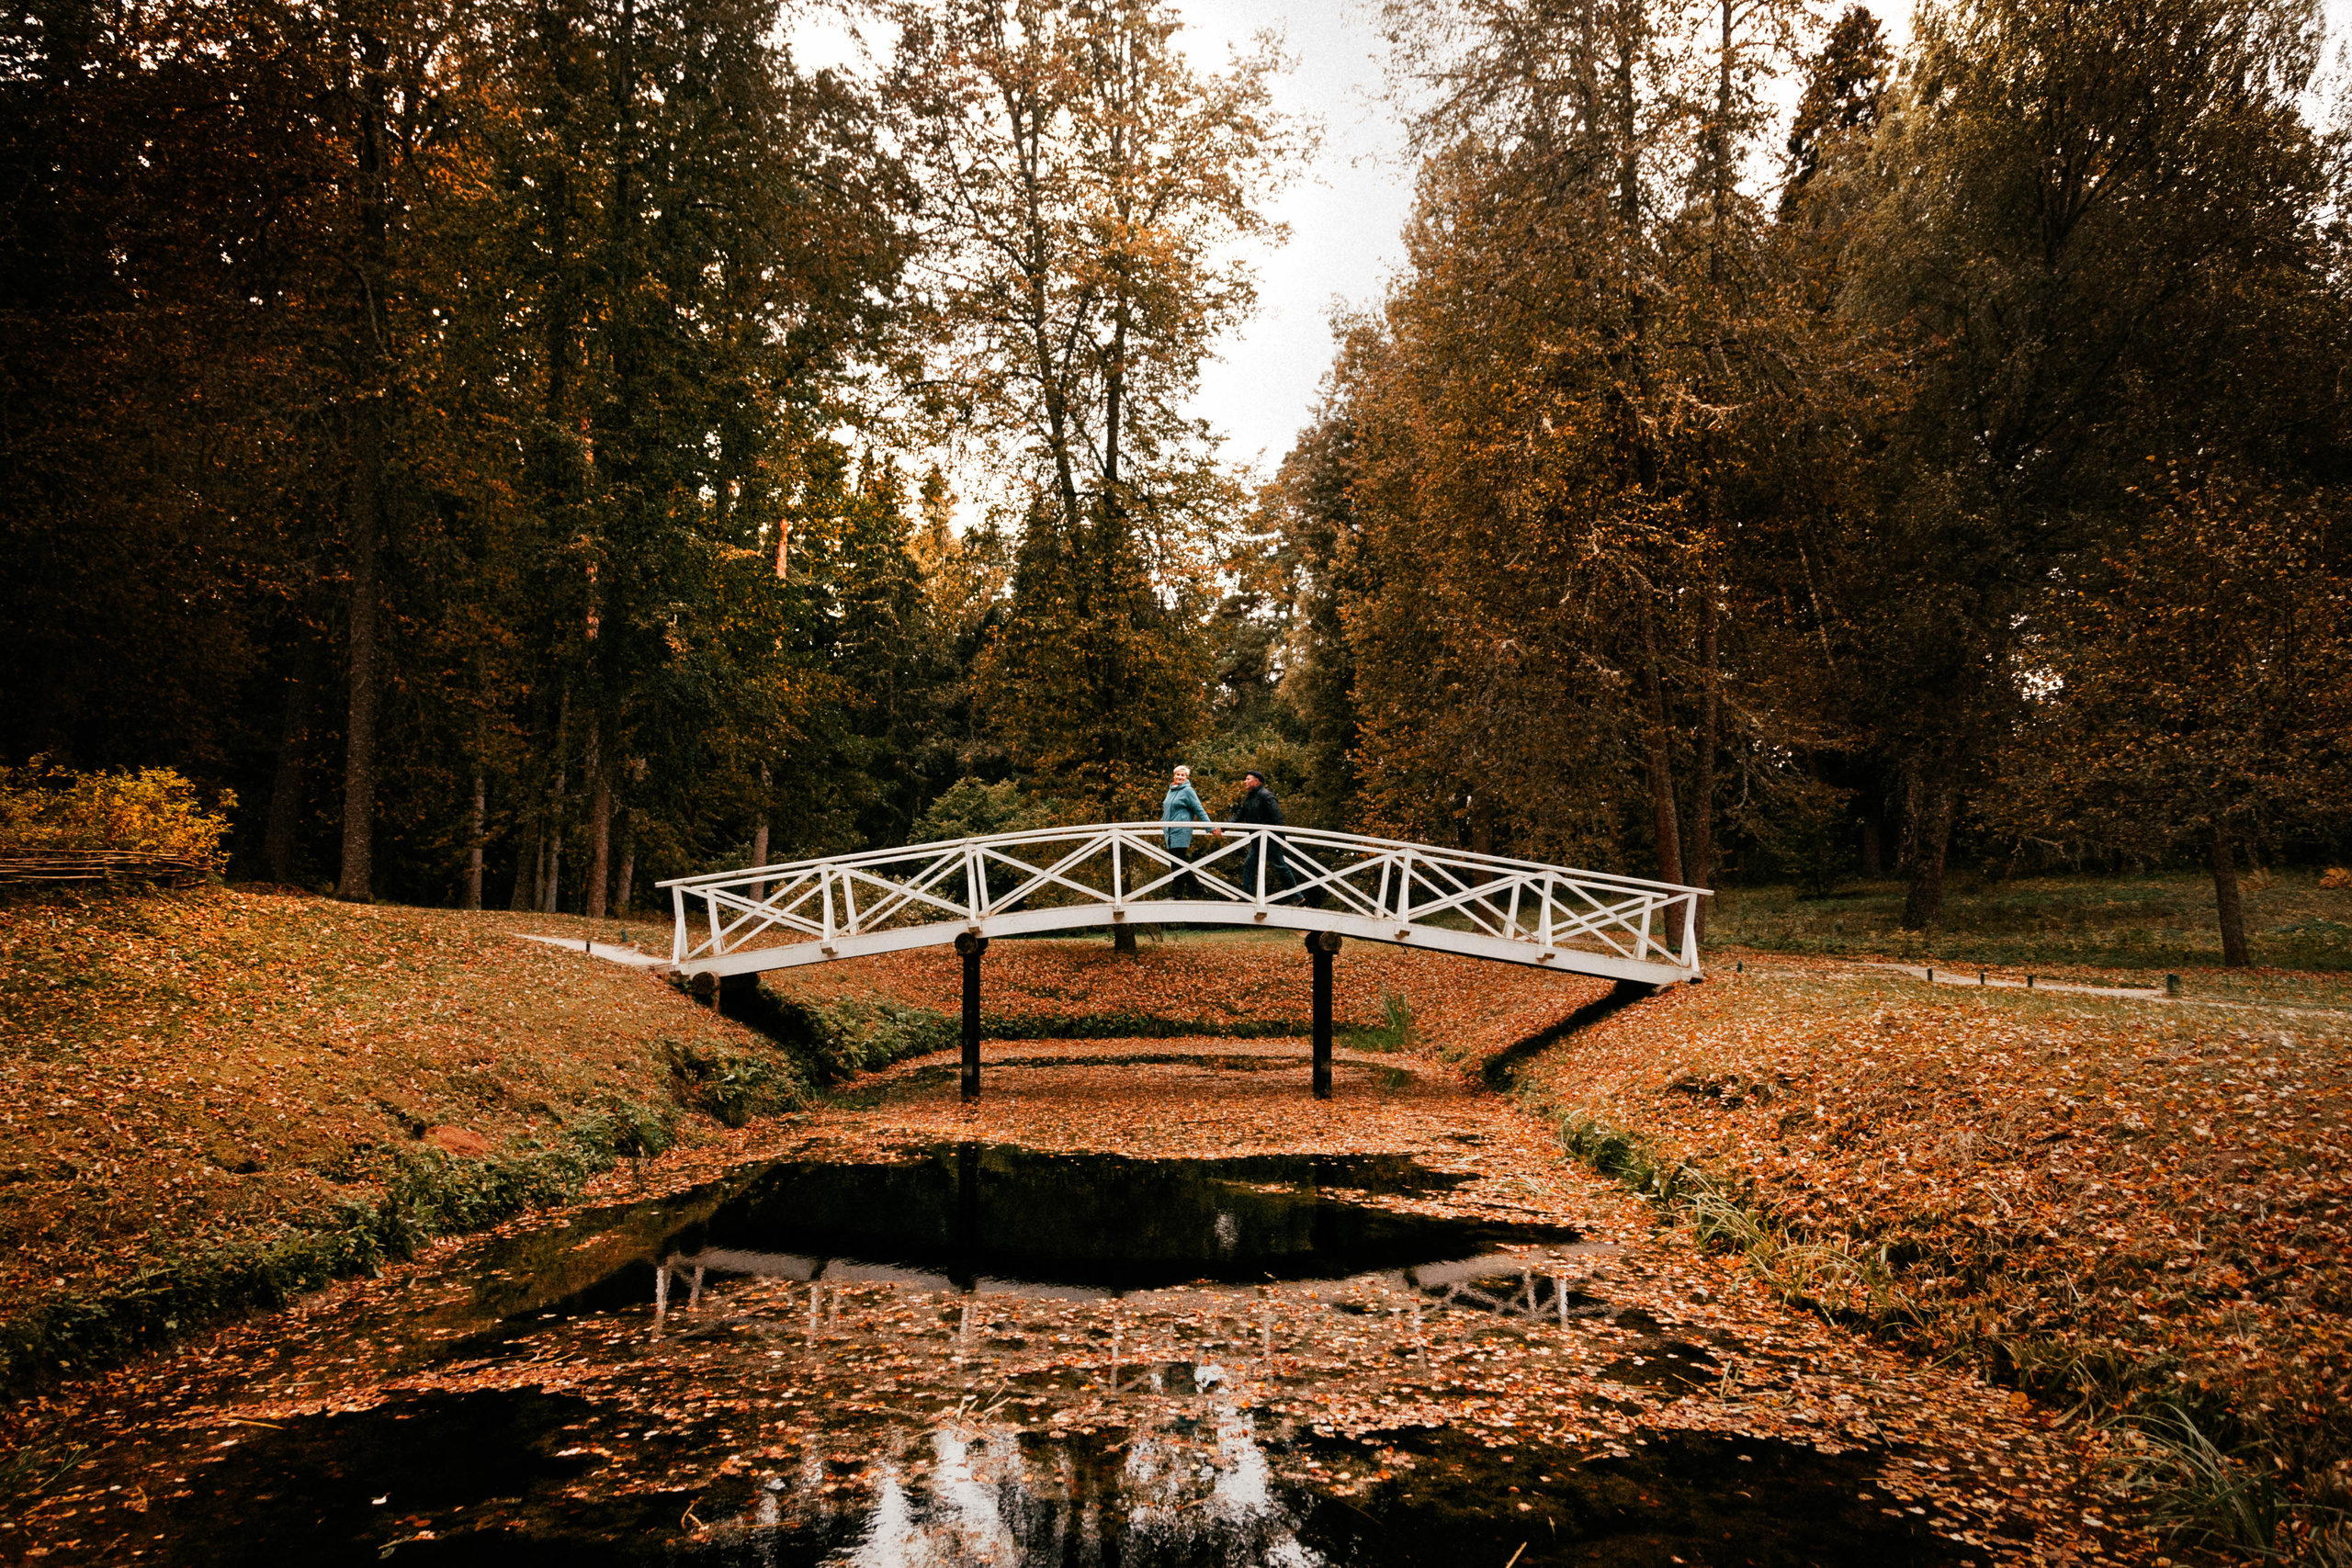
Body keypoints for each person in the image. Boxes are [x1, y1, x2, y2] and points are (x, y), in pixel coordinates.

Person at [1226, 770, 1304, 902]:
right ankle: (1248, 896)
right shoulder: (1249, 798)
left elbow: (1278, 819)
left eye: (1248, 779)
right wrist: (1222, 827)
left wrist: (1281, 839)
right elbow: (1239, 815)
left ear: (1256, 781)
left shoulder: (1266, 796)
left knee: (1280, 866)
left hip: (1270, 839)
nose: (1245, 781)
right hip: (1257, 840)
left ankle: (1296, 896)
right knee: (1249, 866)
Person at [1159, 764, 1208, 898]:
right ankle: (1198, 889)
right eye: (1178, 774)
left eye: (1183, 775)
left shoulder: (1188, 791)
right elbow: (1168, 810)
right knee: (1178, 862)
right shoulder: (1171, 790)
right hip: (1169, 832)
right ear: (1174, 776)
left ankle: (1177, 894)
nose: (1180, 777)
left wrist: (1209, 827)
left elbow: (1199, 809)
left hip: (1181, 831)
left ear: (1186, 778)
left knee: (1177, 863)